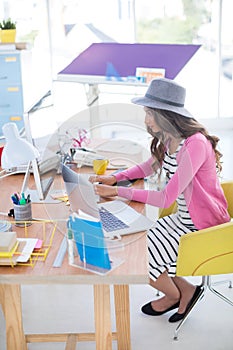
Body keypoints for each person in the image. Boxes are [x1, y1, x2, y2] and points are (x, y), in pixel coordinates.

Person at [89, 78, 230, 322]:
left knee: (138, 257)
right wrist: (115, 179)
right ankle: (187, 290)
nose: (146, 119)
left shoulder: (194, 144)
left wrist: (118, 192)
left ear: (165, 114)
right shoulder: (170, 138)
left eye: (149, 113)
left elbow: (166, 198)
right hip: (182, 219)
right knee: (135, 242)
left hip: (202, 226)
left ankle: (173, 295)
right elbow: (149, 167)